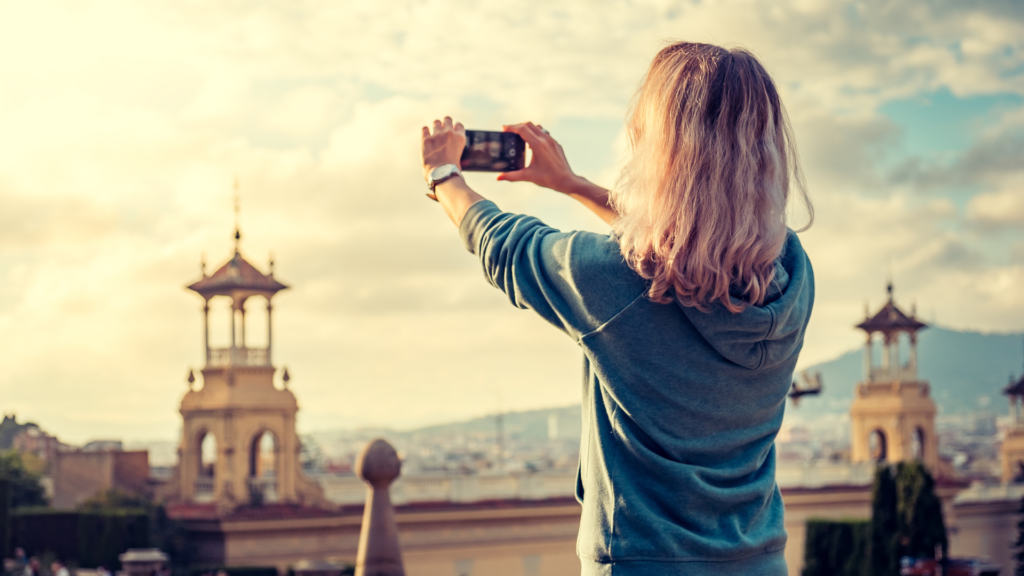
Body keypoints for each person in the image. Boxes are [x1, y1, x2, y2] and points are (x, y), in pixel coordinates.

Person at [420, 41, 813, 575]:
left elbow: (506, 245)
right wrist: (573, 185)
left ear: (661, 151)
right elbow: (689, 240)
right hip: (760, 562)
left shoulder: (614, 283)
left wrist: (445, 176)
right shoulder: (792, 274)